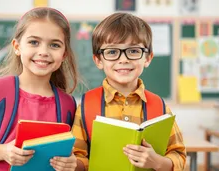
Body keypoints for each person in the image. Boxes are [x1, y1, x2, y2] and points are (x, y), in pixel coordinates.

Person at [0, 7, 79, 171]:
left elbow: (72, 157)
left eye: (54, 45)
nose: (43, 52)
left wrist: (71, 163)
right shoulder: (0, 91)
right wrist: (3, 151)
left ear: (64, 54)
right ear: (17, 46)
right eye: (34, 42)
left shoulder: (67, 104)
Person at [72, 13, 186, 171]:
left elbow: (178, 155)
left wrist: (157, 162)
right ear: (98, 60)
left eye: (133, 51)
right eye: (112, 52)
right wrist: (72, 164)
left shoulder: (160, 107)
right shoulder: (85, 106)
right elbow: (78, 156)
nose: (123, 59)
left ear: (147, 58)